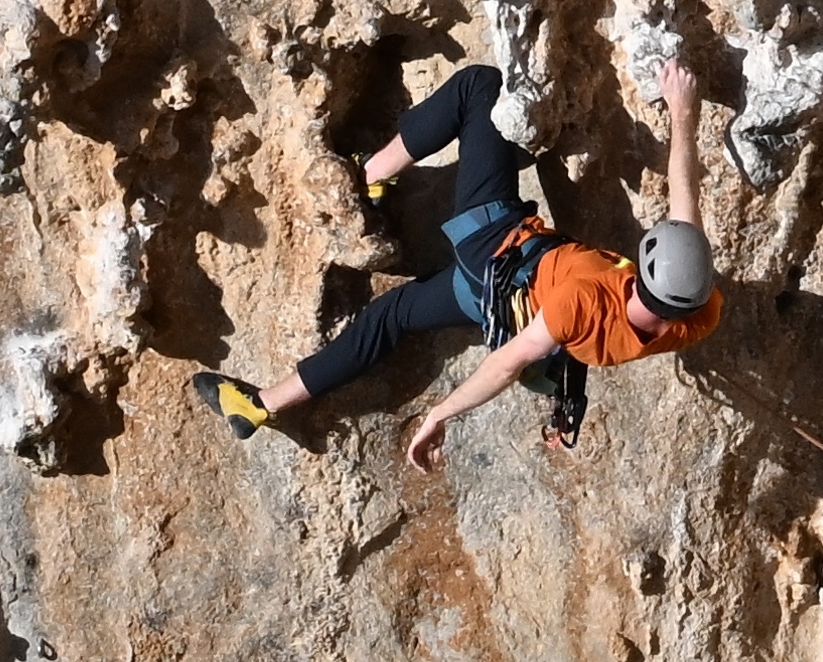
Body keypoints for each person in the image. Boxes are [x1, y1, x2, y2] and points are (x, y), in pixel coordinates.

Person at [193, 57, 722, 472]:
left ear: (646, 267)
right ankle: (260, 404)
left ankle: (370, 176)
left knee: (479, 87)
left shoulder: (584, 299)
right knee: (391, 316)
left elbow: (504, 365)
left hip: (491, 243)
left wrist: (440, 413)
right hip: (493, 305)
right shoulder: (697, 319)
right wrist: (684, 112)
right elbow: (685, 199)